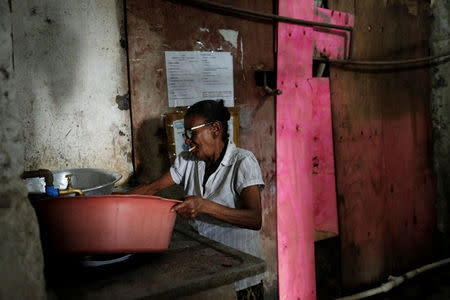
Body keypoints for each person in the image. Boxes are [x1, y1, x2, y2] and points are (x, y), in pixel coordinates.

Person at [131, 99, 265, 299]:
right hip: (206, 268)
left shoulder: (243, 161)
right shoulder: (188, 160)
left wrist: (204, 206)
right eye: (186, 134)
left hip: (240, 274)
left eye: (192, 133)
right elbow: (153, 187)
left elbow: (254, 219)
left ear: (215, 129)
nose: (187, 141)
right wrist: (111, 201)